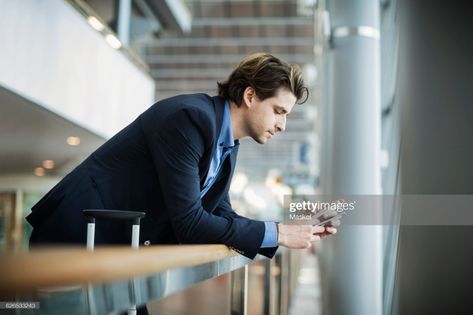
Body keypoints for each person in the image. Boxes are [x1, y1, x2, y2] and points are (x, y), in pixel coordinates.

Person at [26, 53, 338, 260]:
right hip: (76, 238)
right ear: (250, 95)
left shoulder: (226, 145)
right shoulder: (190, 119)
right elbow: (190, 222)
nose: (282, 125)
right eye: (279, 112)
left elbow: (221, 215)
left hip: (113, 248)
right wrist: (278, 234)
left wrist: (288, 228)